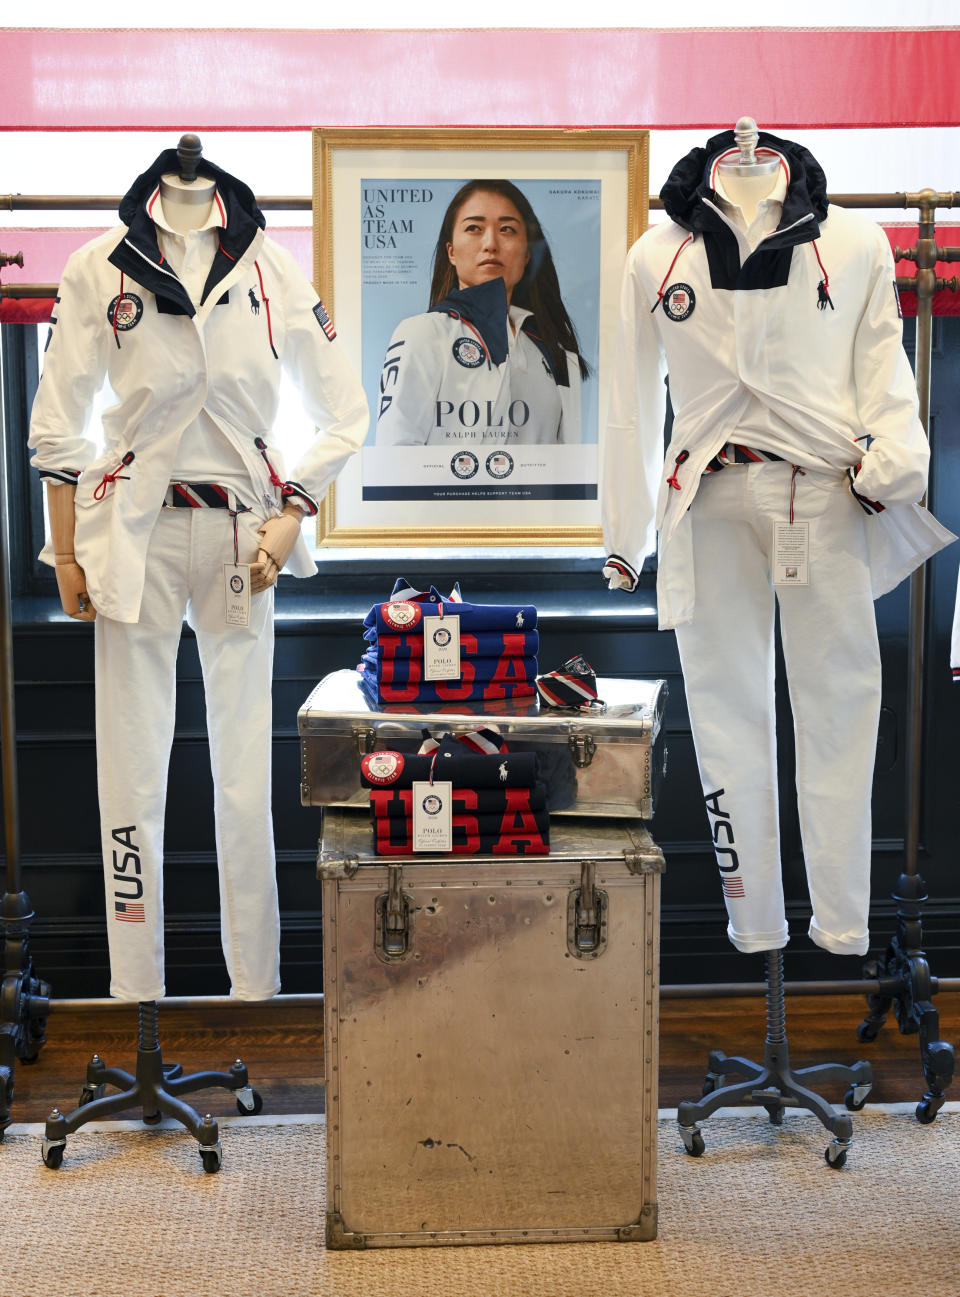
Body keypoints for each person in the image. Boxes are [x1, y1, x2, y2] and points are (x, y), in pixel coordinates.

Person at [601, 127, 953, 961]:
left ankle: (841, 922)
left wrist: (896, 467)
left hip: (824, 495)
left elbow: (885, 372)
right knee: (728, 717)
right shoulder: (656, 253)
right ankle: (753, 919)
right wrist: (625, 536)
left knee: (839, 708)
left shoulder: (856, 242)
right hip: (708, 498)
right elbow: (626, 403)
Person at [29, 147, 368, 1002]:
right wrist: (64, 550)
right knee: (130, 772)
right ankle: (137, 991)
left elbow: (343, 412)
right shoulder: (97, 267)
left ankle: (254, 995)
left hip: (239, 538)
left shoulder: (270, 270)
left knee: (243, 775)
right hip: (131, 535)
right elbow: (56, 422)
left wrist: (291, 511)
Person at [375, 179, 587, 446]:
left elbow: (569, 470)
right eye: (474, 228)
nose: (490, 243)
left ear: (527, 255)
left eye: (507, 229)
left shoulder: (557, 355)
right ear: (450, 251)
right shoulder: (422, 334)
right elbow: (394, 458)